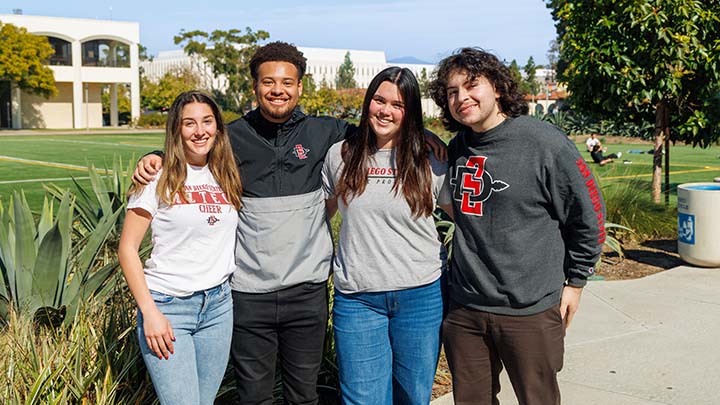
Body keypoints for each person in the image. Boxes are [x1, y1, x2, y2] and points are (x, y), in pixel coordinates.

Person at [132, 42, 446, 404]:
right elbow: (189, 147)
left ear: (300, 87)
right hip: (248, 295)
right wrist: (154, 156)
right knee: (255, 396)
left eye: (287, 82)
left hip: (307, 293)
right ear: (255, 87)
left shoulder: (328, 134)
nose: (277, 90)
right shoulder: (229, 138)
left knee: (303, 396)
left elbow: (384, 127)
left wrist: (425, 134)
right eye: (268, 82)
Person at [428, 48, 606, 404]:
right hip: (465, 309)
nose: (461, 97)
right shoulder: (458, 147)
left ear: (496, 86)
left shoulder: (543, 143)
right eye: (451, 91)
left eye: (471, 85)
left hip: (529, 310)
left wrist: (576, 283)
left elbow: (590, 215)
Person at [322, 67, 450, 405]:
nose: (386, 110)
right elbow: (321, 215)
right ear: (368, 103)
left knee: (413, 396)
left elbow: (468, 220)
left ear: (410, 112)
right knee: (363, 398)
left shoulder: (431, 159)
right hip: (358, 299)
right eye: (379, 100)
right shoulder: (342, 155)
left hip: (420, 297)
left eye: (398, 104)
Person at [118, 91, 243, 404]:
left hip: (218, 306)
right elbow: (128, 249)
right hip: (169, 308)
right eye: (189, 123)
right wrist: (150, 312)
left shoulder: (225, 173)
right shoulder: (156, 176)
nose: (199, 131)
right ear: (176, 129)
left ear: (218, 127)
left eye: (206, 121)